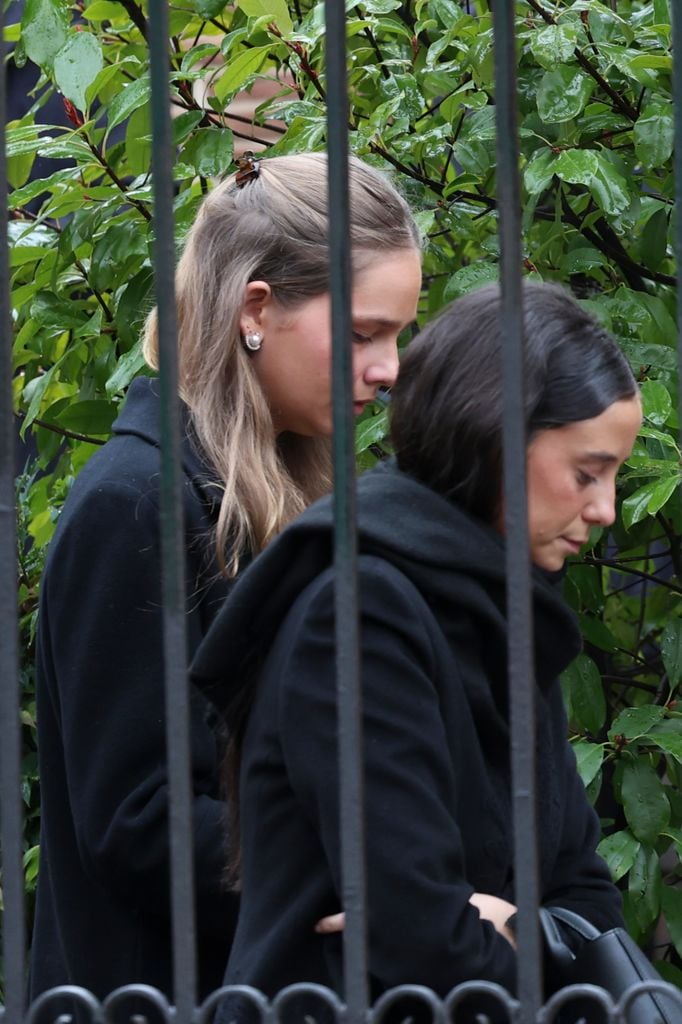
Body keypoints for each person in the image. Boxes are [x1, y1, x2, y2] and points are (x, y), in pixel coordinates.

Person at [29, 152, 422, 1013]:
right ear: (255, 309)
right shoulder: (137, 504)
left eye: (398, 335)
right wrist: (374, 876)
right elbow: (140, 823)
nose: (389, 367)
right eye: (363, 334)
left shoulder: (280, 493)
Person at [191, 281, 642, 1021]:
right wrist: (524, 935)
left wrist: (517, 926)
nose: (605, 509)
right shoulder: (358, 613)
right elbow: (425, 937)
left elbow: (586, 892)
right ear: (494, 441)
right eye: (586, 473)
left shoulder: (504, 606)